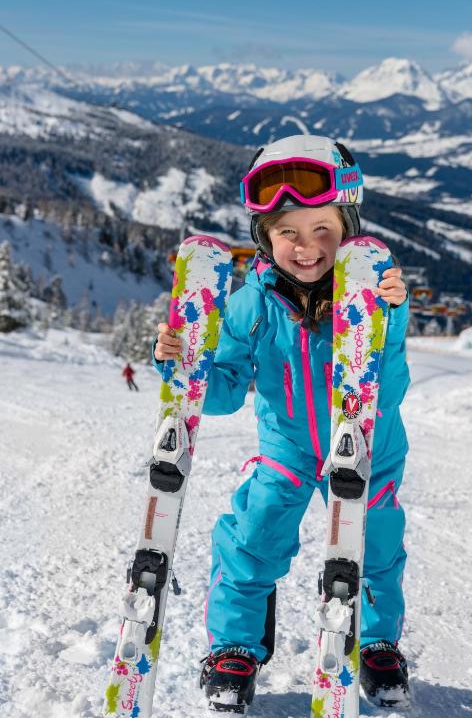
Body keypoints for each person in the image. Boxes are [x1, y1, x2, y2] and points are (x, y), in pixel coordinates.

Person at [153, 135, 410, 712]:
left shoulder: (377, 299)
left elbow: (389, 391)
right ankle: (234, 648)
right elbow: (222, 394)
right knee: (251, 538)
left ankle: (376, 643)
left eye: (323, 229)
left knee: (376, 548)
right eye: (288, 232)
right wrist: (184, 364)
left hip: (370, 446)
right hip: (287, 449)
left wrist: (388, 320)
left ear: (348, 227)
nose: (307, 246)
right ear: (264, 238)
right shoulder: (250, 305)